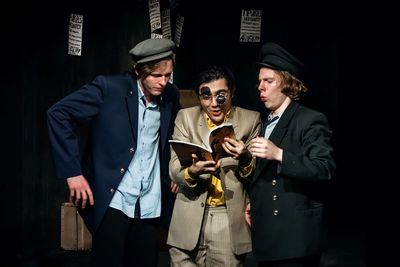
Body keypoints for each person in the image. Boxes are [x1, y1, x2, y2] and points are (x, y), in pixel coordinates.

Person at [47, 38, 181, 267]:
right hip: (114, 199)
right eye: (157, 75)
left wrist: (177, 168)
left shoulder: (170, 95)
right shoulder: (109, 88)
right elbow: (58, 114)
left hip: (150, 201)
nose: (163, 82)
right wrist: (72, 173)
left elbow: (175, 135)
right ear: (139, 71)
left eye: (168, 75)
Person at [246, 42, 336, 267]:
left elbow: (324, 168)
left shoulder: (309, 119)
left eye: (268, 81)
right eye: (259, 81)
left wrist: (279, 154)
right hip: (268, 235)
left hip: (294, 240)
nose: (260, 87)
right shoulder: (267, 121)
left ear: (287, 83)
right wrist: (255, 203)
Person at [167, 65, 262, 266]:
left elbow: (257, 174)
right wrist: (191, 172)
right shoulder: (185, 118)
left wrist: (244, 157)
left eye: (221, 96)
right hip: (188, 215)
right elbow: (174, 169)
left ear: (232, 92)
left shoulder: (250, 120)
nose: (214, 104)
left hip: (226, 219)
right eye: (206, 96)